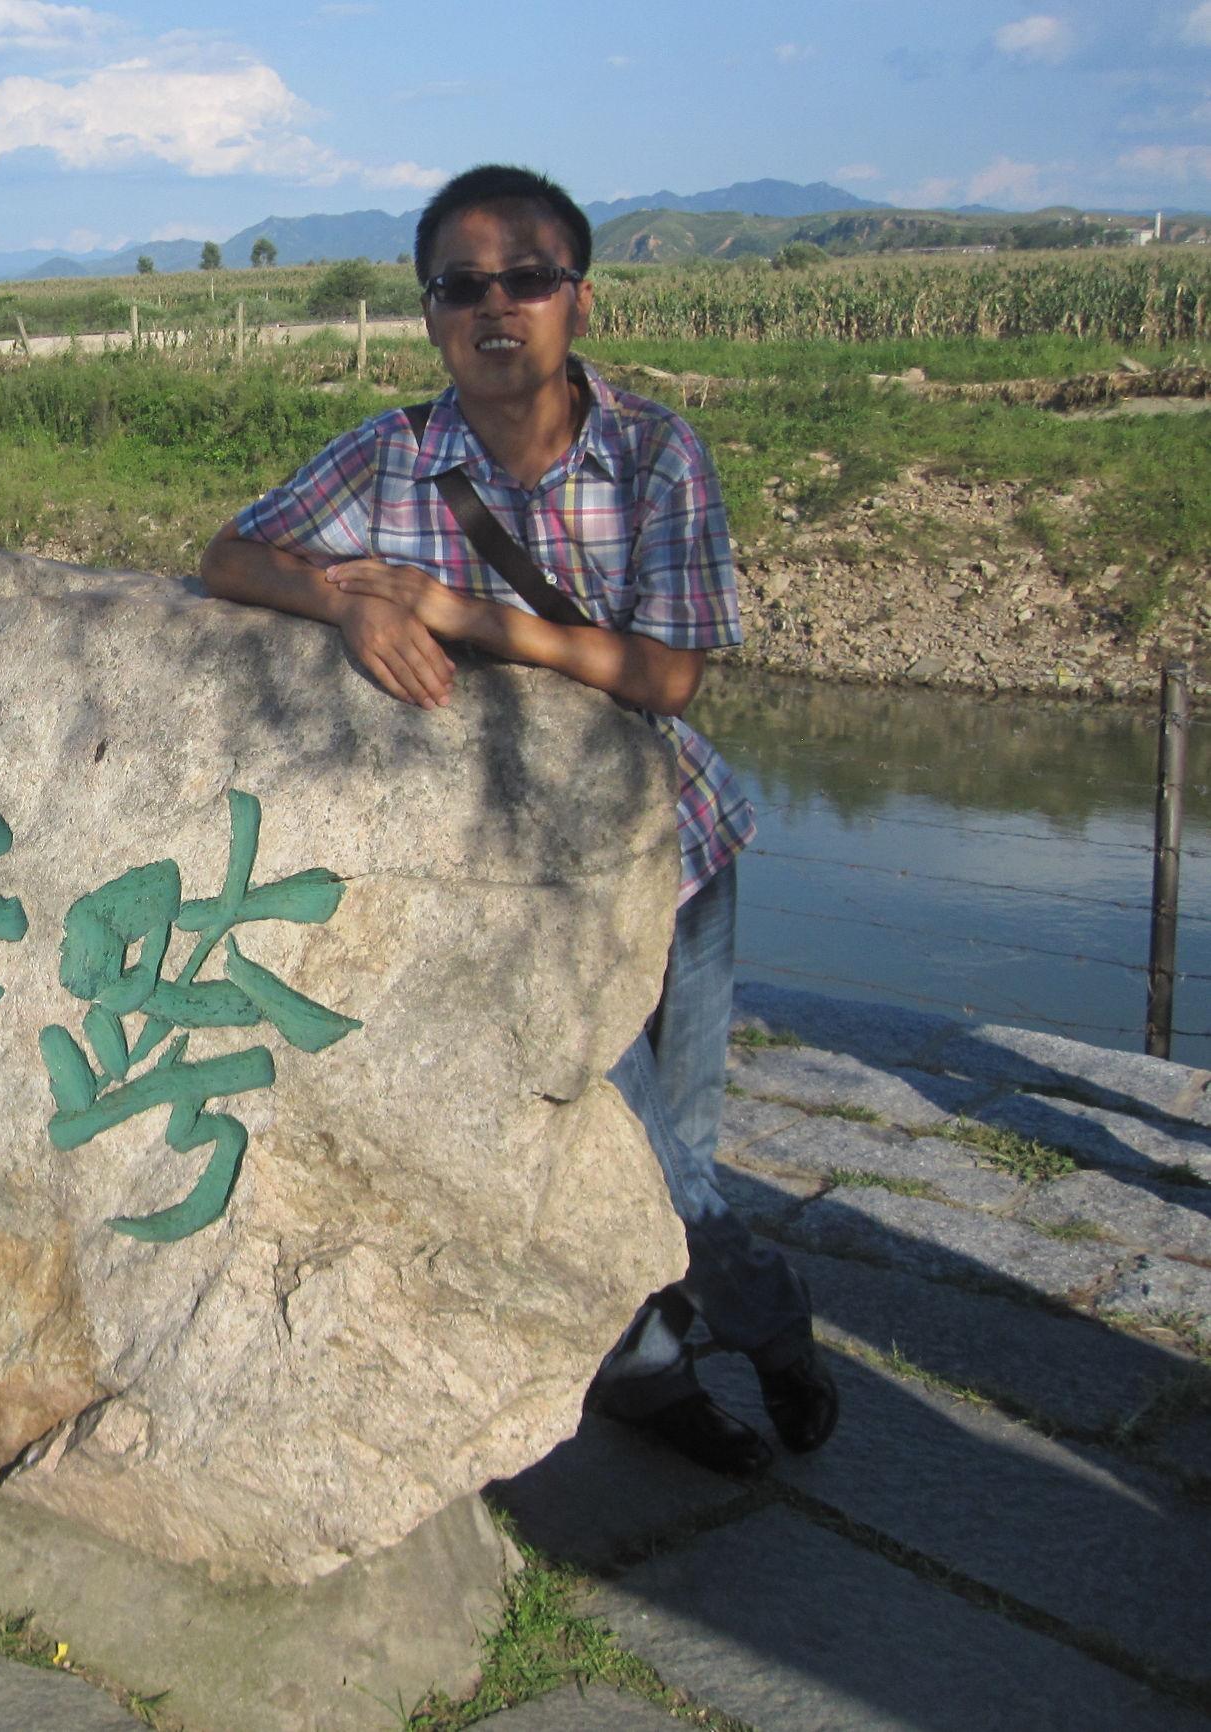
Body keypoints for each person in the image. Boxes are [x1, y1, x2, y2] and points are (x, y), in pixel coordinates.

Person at [199, 164, 837, 1476]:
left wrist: (462, 616)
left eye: (527, 278)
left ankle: (712, 1335)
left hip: (678, 848)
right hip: (514, 884)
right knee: (624, 1154)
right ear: (430, 315)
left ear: (577, 299)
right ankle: (695, 1360)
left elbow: (668, 676)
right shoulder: (389, 456)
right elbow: (226, 554)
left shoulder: (656, 454)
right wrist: (351, 605)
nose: (498, 308)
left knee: (684, 1157)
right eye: (462, 286)